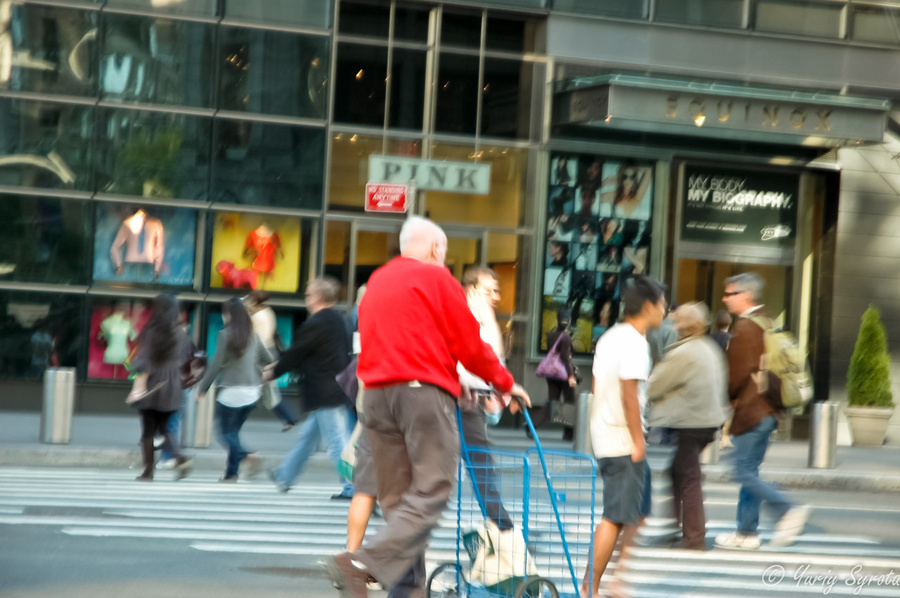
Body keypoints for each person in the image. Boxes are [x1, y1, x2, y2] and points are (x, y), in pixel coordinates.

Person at [322, 216, 531, 598]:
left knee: (401, 502)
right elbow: (468, 343)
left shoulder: (377, 283)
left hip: (378, 398)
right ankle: (360, 562)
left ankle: (406, 591)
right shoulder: (437, 280)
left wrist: (453, 381)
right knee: (434, 486)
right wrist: (503, 382)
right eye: (445, 251)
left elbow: (390, 343)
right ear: (436, 249)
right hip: (420, 395)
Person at [582, 276, 665, 598]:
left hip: (607, 434)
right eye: (662, 304)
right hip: (621, 439)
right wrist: (637, 440)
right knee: (615, 517)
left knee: (639, 510)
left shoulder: (611, 337)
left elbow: (598, 383)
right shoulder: (634, 342)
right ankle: (590, 587)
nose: (664, 310)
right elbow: (630, 393)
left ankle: (616, 581)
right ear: (648, 306)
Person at [714, 273, 810, 550]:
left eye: (729, 293)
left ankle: (786, 508)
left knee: (741, 470)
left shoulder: (746, 328)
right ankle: (747, 533)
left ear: (745, 295)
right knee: (749, 470)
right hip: (768, 411)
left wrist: (725, 399)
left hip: (752, 412)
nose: (725, 298)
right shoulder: (767, 322)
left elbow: (735, 376)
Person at [648, 302, 728, 550]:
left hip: (690, 423)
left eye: (678, 320)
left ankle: (694, 538)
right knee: (678, 471)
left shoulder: (684, 352)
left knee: (689, 478)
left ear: (682, 325)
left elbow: (657, 385)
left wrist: (647, 385)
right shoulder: (708, 348)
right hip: (707, 421)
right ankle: (678, 528)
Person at [267, 277, 354, 499]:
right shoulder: (342, 320)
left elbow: (297, 353)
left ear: (317, 297)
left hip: (325, 393)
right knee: (308, 439)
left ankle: (353, 487)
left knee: (337, 443)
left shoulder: (316, 324)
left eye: (307, 294)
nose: (306, 298)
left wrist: (274, 371)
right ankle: (285, 476)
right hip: (337, 389)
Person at [457, 266, 514, 531]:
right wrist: (490, 321)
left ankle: (502, 528)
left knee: (482, 468)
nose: (496, 297)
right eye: (488, 291)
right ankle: (504, 530)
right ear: (472, 291)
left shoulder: (475, 319)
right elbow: (493, 361)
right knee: (481, 467)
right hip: (459, 403)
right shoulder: (468, 319)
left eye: (496, 290)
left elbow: (492, 367)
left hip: (471, 402)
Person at [197, 297, 272, 482]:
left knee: (224, 433)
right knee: (233, 433)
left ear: (228, 314)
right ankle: (231, 473)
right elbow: (269, 359)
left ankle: (247, 455)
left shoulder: (224, 335)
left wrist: (202, 388)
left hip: (231, 393)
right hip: (252, 392)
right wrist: (254, 368)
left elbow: (216, 365)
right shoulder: (254, 336)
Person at [130, 293, 194, 482]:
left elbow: (143, 360)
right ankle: (180, 459)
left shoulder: (150, 329)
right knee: (165, 427)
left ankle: (148, 471)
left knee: (148, 430)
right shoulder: (181, 333)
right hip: (173, 384)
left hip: (152, 383)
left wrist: (138, 380)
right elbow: (185, 357)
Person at [244, 290, 299, 432]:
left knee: (263, 389)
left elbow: (258, 339)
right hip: (269, 353)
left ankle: (289, 418)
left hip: (262, 355)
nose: (247, 302)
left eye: (249, 299)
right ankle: (289, 418)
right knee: (264, 389)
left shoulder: (258, 316)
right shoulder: (268, 312)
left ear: (254, 301)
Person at [529, 309, 577, 440]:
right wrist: (571, 376)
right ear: (569, 321)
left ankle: (532, 424)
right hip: (564, 374)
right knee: (570, 403)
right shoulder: (565, 337)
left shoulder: (550, 335)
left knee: (553, 402)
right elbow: (565, 358)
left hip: (552, 374)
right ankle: (569, 433)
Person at [710, 309, 735, 449]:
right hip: (724, 375)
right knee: (726, 407)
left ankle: (715, 437)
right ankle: (724, 437)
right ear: (729, 321)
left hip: (711, 375)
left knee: (714, 405)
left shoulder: (709, 338)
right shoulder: (729, 339)